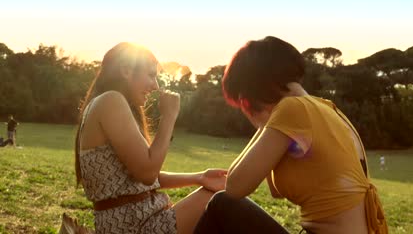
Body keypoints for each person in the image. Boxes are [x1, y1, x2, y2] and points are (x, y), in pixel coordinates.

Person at [195, 36, 388, 234]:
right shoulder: (327, 109)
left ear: (249, 93)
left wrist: (262, 124)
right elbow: (276, 191)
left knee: (222, 203)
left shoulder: (293, 109)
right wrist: (269, 124)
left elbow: (234, 187)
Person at [75, 42, 227, 234]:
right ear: (126, 70)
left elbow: (142, 177)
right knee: (219, 202)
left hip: (145, 220)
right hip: (132, 226)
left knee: (218, 200)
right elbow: (147, 173)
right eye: (151, 75)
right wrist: (169, 116)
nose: (155, 86)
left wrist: (200, 177)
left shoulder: (111, 103)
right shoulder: (110, 100)